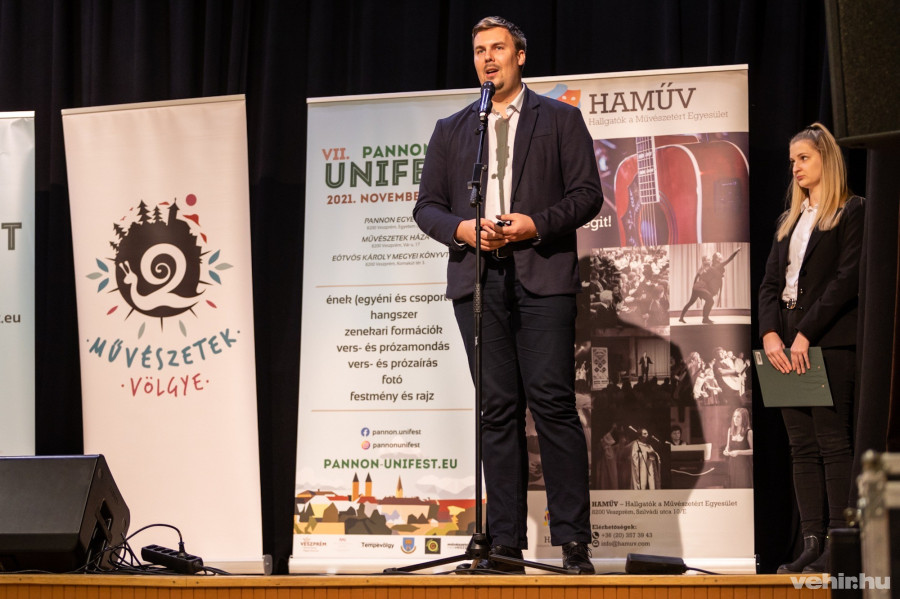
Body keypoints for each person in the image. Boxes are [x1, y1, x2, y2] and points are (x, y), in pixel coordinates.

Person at [413, 16, 602, 574]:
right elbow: (427, 206)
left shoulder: (560, 119)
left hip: (542, 277)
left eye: (498, 48)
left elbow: (587, 195)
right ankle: (504, 545)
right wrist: (462, 229)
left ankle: (573, 543)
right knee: (496, 411)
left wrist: (534, 225)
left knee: (552, 404)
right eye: (479, 51)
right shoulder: (453, 129)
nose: (488, 59)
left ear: (520, 56)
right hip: (477, 280)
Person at [758, 123, 864, 574]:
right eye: (792, 161)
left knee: (832, 443)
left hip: (827, 341)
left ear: (826, 159)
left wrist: (805, 333)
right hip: (784, 344)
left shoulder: (852, 210)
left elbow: (846, 280)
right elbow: (770, 283)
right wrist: (770, 334)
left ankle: (839, 547)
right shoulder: (790, 219)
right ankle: (811, 541)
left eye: (803, 158)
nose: (795, 168)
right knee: (801, 446)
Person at [723, 407, 753, 488]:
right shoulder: (730, 430)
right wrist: (726, 451)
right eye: (734, 416)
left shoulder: (749, 432)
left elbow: (753, 450)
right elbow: (728, 447)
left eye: (738, 417)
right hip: (732, 466)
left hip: (744, 467)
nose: (735, 419)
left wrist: (738, 452)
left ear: (744, 419)